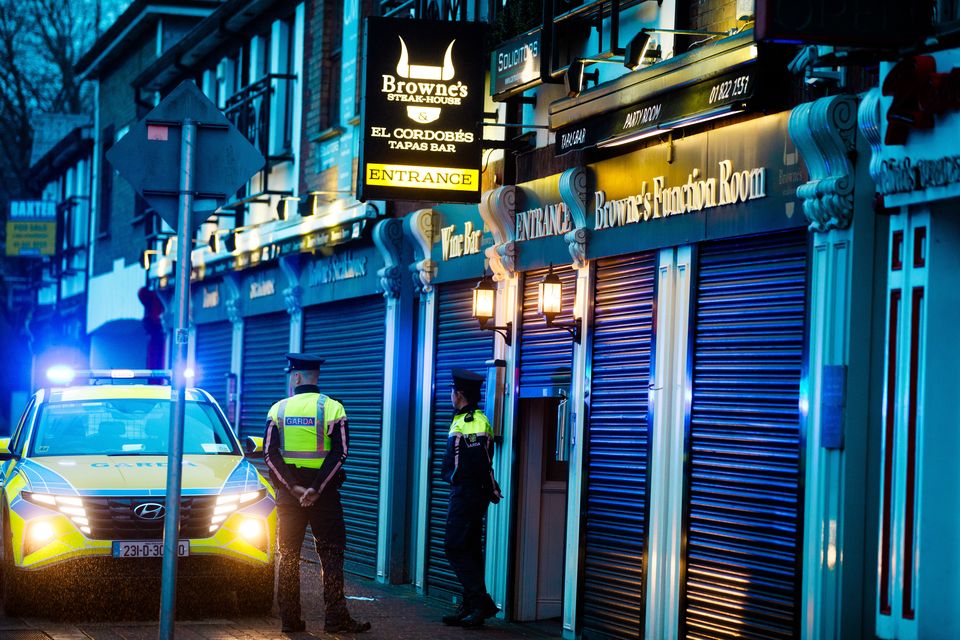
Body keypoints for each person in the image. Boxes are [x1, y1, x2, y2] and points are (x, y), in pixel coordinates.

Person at [263, 353, 371, 634]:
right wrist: (316, 488)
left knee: (288, 555)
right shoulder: (333, 408)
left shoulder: (278, 409)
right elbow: (340, 453)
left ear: (296, 377)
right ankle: (336, 618)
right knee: (332, 553)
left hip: (290, 496)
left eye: (291, 375)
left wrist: (294, 487)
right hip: (325, 496)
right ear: (316, 377)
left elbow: (269, 455)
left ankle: (290, 620)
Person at [441, 368, 503, 628]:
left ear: (460, 394)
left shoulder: (472, 423)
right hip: (468, 493)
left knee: (454, 546)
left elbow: (481, 463)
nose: (450, 395)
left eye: (452, 391)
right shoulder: (465, 419)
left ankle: (481, 603)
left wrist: (490, 488)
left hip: (468, 493)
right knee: (469, 549)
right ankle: (470, 605)